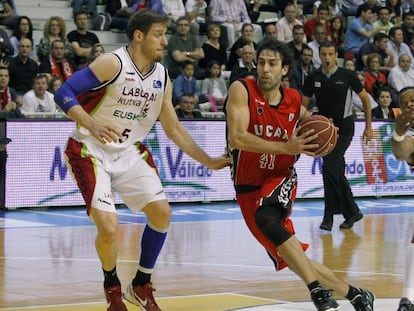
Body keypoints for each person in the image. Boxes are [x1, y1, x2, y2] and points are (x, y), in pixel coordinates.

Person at [54, 9, 229, 311]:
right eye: (159, 34)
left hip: (129, 150)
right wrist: (92, 124)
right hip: (89, 150)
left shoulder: (162, 76)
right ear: (139, 36)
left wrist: (210, 161)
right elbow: (64, 92)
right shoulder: (113, 63)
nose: (164, 41)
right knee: (109, 228)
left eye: (165, 35)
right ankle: (112, 287)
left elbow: (172, 128)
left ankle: (141, 284)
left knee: (162, 213)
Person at [225, 39, 375, 311]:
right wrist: (284, 146)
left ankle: (316, 291)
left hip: (279, 176)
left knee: (267, 218)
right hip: (246, 187)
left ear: (284, 70)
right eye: (261, 62)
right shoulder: (242, 89)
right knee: (291, 255)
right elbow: (237, 138)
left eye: (272, 63)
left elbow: (310, 121)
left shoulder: (293, 100)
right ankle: (356, 294)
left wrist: (326, 133)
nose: (265, 69)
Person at [302, 41, 373, 231]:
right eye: (323, 54)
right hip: (324, 130)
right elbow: (303, 106)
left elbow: (366, 100)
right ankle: (350, 214)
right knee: (332, 170)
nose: (326, 58)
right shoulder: (313, 77)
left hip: (345, 127)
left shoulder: (348, 75)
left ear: (336, 56)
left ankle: (330, 217)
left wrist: (368, 127)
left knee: (331, 165)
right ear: (319, 55)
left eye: (330, 54)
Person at [390, 87, 414, 311]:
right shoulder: (409, 137)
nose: (410, 105)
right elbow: (400, 151)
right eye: (405, 103)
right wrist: (397, 132)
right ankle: (408, 298)